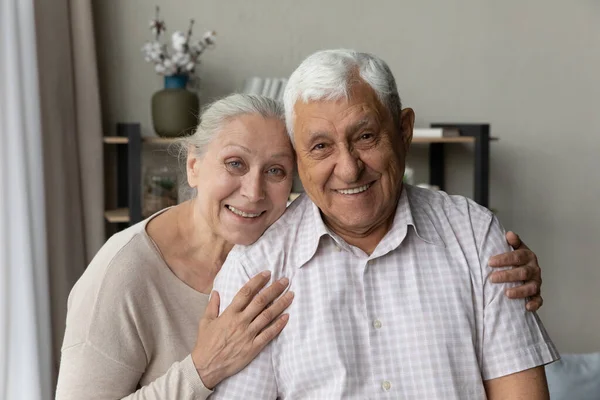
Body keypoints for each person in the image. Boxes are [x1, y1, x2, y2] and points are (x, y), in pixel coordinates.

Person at [56, 93, 544, 400]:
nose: (253, 191)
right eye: (233, 164)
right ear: (192, 166)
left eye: (275, 171)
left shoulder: (272, 255)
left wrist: (495, 272)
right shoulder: (122, 275)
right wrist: (202, 370)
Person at [210, 50, 559, 399]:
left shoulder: (474, 234)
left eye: (365, 137)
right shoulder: (255, 269)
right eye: (320, 146)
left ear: (403, 131)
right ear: (298, 157)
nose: (348, 169)